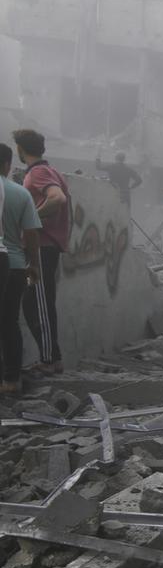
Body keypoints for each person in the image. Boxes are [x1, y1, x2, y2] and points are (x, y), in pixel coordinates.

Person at [13, 129, 70, 375]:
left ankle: (50, 360)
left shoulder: (38, 173)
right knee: (32, 303)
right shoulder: (50, 170)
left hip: (43, 246)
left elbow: (57, 199)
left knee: (40, 305)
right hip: (44, 246)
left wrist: (31, 219)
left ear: (20, 150)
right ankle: (50, 357)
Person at [0, 144, 41, 395]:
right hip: (14, 266)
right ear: (7, 165)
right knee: (9, 322)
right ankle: (11, 380)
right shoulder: (20, 193)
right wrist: (34, 264)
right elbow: (31, 234)